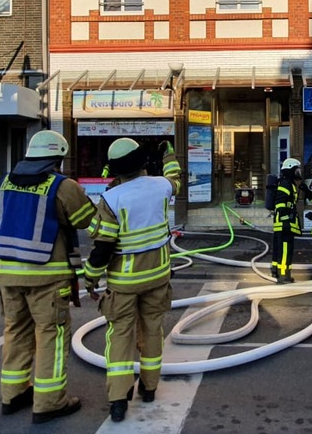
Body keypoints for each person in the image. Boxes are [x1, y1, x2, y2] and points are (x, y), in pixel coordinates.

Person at [0, 130, 97, 424]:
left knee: (15, 332)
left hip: (7, 277)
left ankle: (13, 394)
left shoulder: (4, 183)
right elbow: (85, 219)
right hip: (47, 278)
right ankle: (49, 402)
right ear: (57, 158)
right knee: (51, 336)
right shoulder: (61, 185)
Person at [83, 138, 181, 423]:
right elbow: (175, 177)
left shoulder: (112, 199)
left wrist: (90, 280)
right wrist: (169, 153)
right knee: (152, 331)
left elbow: (102, 247)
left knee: (120, 336)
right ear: (141, 163)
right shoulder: (161, 185)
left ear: (115, 170)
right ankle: (149, 388)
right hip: (158, 276)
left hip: (124, 283)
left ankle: (118, 399)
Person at [270, 158, 307, 284]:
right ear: (291, 169)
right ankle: (284, 276)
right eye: (297, 169)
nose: (299, 171)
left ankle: (275, 270)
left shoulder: (287, 182)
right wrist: (286, 219)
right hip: (285, 223)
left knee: (278, 248)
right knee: (285, 249)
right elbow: (280, 203)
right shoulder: (286, 183)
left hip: (282, 223)